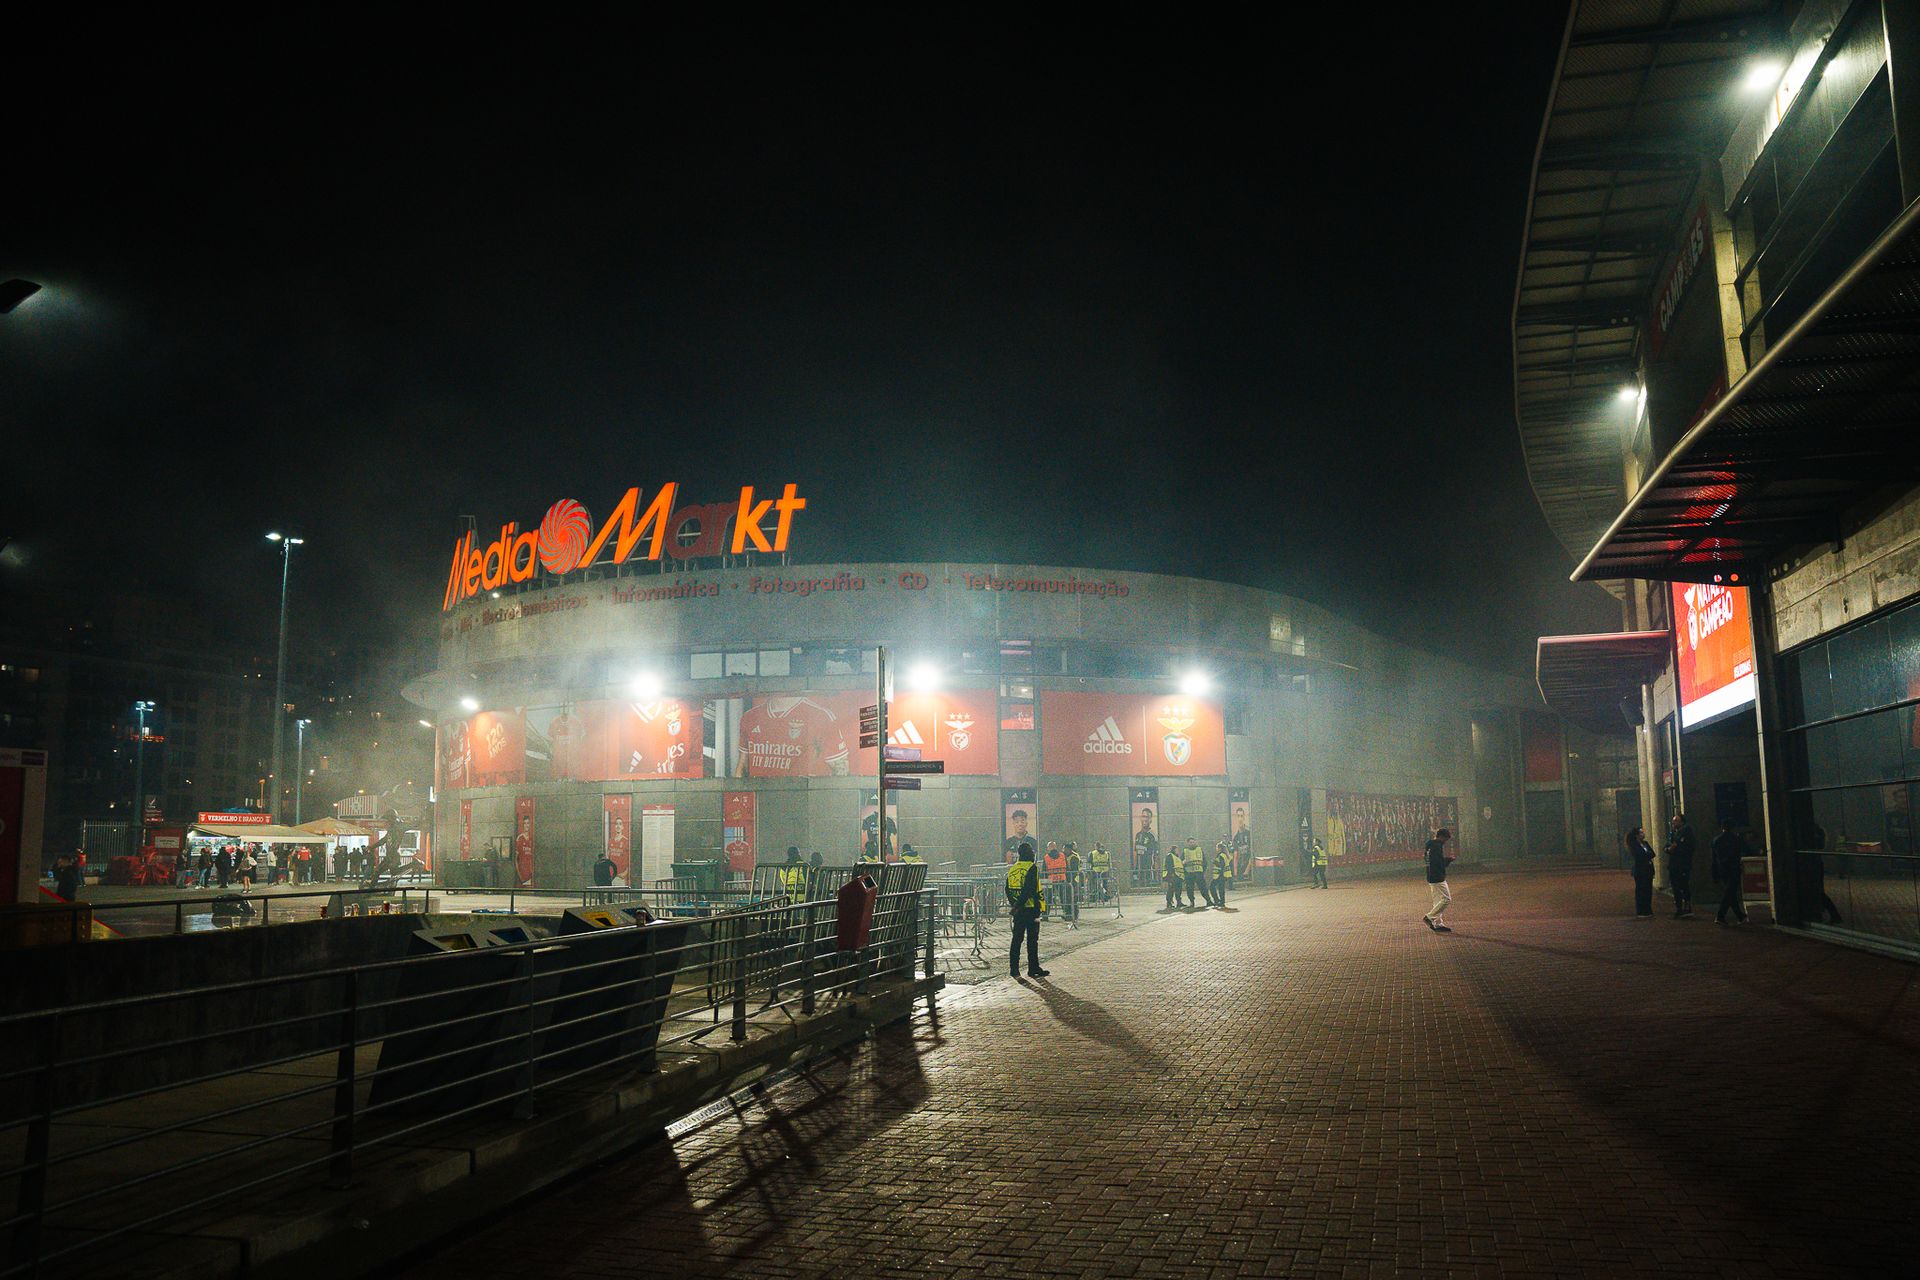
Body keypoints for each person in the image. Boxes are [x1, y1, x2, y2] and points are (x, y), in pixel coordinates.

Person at [1004, 843, 1050, 979]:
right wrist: (1026, 906)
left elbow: (1007, 889)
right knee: (1032, 940)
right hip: (1030, 909)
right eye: (1031, 851)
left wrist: (1015, 905)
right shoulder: (1032, 867)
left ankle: (1014, 969)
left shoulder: (1013, 869)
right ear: (1029, 853)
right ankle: (1033, 968)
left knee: (1017, 939)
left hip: (1018, 911)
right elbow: (1030, 890)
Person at [1797, 823, 1841, 924]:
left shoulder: (1815, 833)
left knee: (1816, 891)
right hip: (1814, 863)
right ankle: (1830, 913)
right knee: (1817, 891)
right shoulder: (1819, 832)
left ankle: (1832, 913)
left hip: (1812, 864)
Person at [1711, 821, 1750, 925]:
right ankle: (1721, 915)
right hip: (1733, 868)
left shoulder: (1716, 840)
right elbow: (1746, 849)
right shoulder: (1736, 839)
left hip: (1722, 869)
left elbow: (1714, 858)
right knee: (1730, 892)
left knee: (1730, 892)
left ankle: (1740, 916)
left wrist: (1714, 872)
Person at [1423, 828, 1455, 933]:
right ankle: (1429, 917)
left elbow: (1429, 860)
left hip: (1431, 876)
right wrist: (1448, 860)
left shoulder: (1429, 846)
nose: (1445, 842)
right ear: (1441, 836)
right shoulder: (1436, 846)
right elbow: (1438, 862)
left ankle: (1437, 924)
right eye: (1445, 839)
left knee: (1437, 901)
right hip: (1437, 877)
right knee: (1446, 899)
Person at [1665, 812, 1696, 918]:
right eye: (1673, 821)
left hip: (1683, 864)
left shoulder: (1687, 831)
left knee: (1684, 885)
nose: (1673, 822)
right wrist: (1669, 849)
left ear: (1682, 822)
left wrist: (1676, 847)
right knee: (1675, 887)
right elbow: (1667, 846)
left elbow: (1688, 847)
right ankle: (1679, 908)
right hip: (1673, 864)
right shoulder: (1673, 833)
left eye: (1676, 820)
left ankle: (1687, 908)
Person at [1627, 826, 1656, 917]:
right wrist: (1647, 855)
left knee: (1648, 890)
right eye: (1641, 832)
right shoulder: (1634, 845)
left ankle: (1648, 909)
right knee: (1641, 890)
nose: (1643, 834)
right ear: (1637, 835)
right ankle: (1641, 910)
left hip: (1648, 870)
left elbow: (1652, 853)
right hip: (1640, 870)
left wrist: (1647, 855)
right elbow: (1639, 856)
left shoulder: (1645, 843)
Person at [1042, 843, 1068, 919]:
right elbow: (1067, 867)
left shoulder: (1046, 857)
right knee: (1063, 897)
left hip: (1050, 880)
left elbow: (1044, 870)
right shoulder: (1062, 855)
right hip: (1062, 879)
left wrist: (1043, 883)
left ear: (1049, 848)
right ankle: (1066, 914)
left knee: (1047, 898)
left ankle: (1045, 915)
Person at [1181, 838, 1206, 910]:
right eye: (1190, 842)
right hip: (1189, 874)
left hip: (1198, 873)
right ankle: (1192, 902)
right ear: (1188, 843)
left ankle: (1208, 900)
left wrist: (1202, 871)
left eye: (1193, 842)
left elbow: (1204, 861)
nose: (1192, 843)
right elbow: (1181, 861)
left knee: (1203, 888)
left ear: (1195, 842)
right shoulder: (1185, 851)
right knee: (1189, 889)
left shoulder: (1199, 850)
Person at [1211, 840, 1234, 909]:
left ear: (1220, 848)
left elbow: (1221, 865)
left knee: (1212, 887)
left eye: (1217, 848)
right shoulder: (1226, 855)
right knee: (1221, 889)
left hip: (1220, 875)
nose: (1216, 849)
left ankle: (1217, 901)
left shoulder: (1221, 856)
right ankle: (1222, 902)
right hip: (1225, 874)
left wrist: (1214, 862)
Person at [1163, 843, 1183, 911]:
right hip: (1173, 875)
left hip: (1178, 876)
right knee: (1171, 890)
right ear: (1173, 850)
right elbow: (1169, 865)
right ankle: (1169, 902)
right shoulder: (1170, 855)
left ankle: (1179, 902)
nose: (1178, 851)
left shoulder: (1177, 857)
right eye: (1177, 849)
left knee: (1178, 889)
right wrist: (1171, 874)